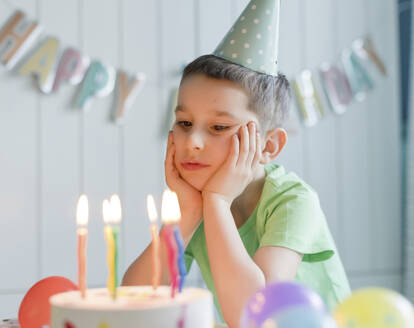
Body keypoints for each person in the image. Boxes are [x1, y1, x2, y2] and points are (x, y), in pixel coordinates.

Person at [122, 1, 350, 327]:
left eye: (218, 127)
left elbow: (253, 316)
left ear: (268, 145)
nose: (192, 142)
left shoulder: (294, 201)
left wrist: (216, 201)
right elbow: (133, 304)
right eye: (184, 123)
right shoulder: (195, 202)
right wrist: (186, 215)